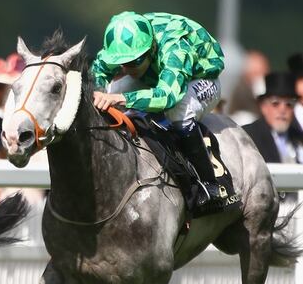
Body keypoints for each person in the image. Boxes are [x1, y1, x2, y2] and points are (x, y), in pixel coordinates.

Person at [91, 11, 227, 209]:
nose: (128, 68)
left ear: (152, 47)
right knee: (107, 93)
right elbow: (97, 73)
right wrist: (98, 93)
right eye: (123, 63)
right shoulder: (119, 46)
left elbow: (167, 96)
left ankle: (209, 184)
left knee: (177, 111)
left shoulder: (175, 48)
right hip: (155, 74)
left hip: (200, 79)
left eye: (135, 61)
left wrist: (122, 99)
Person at [242, 72, 303, 165]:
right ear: (263, 107)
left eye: (289, 104)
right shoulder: (248, 136)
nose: (282, 110)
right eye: (275, 103)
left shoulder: (301, 138)